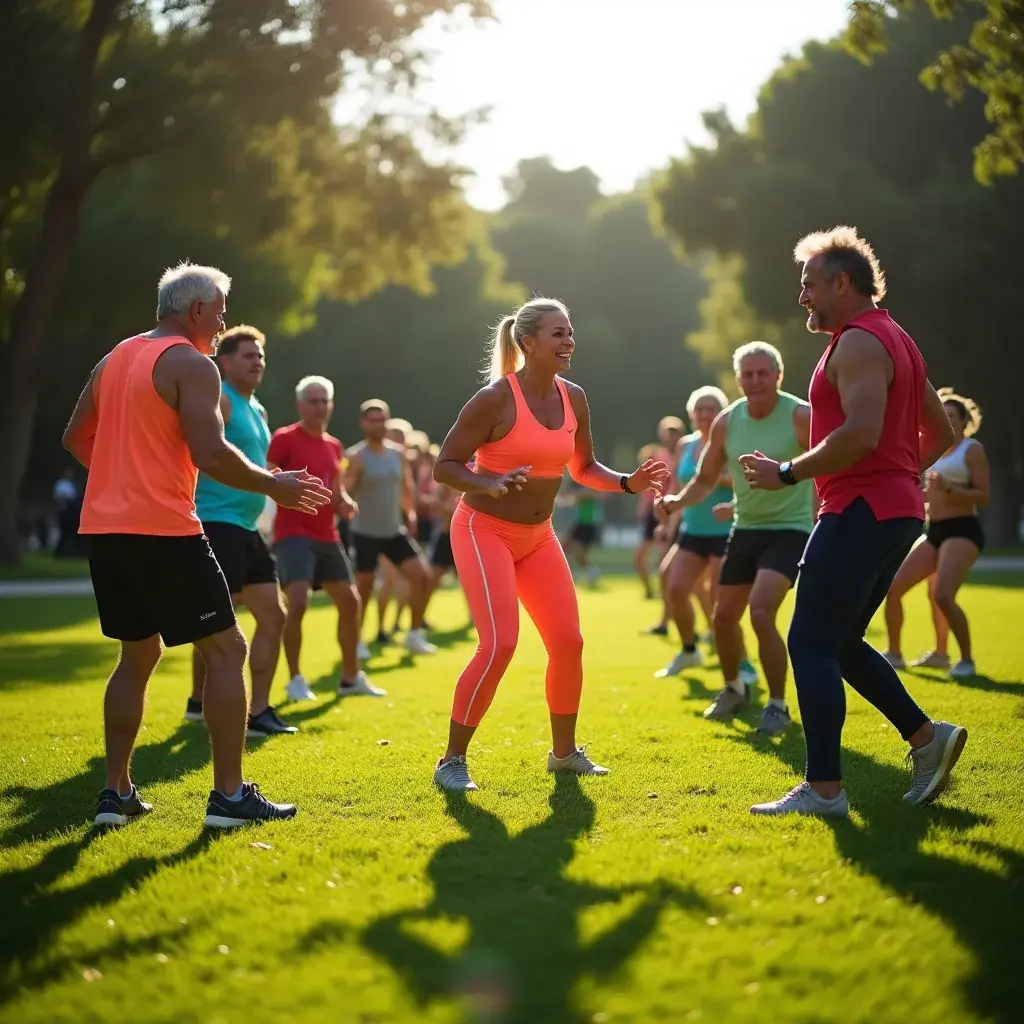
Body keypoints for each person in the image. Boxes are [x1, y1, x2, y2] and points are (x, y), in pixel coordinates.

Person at [62, 261, 331, 828]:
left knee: (137, 655)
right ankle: (230, 798)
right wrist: (273, 484)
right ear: (198, 311)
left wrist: (118, 479)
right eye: (221, 310)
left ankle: (115, 794)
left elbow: (75, 436)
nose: (224, 320)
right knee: (227, 650)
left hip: (106, 530)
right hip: (164, 528)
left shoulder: (114, 358)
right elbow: (210, 453)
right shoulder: (193, 363)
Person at [741, 226, 966, 816]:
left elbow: (860, 434)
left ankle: (824, 790)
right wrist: (896, 475)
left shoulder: (860, 342)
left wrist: (786, 472)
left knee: (809, 642)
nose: (803, 296)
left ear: (843, 283)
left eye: (810, 284)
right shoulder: (898, 339)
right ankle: (927, 738)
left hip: (860, 509)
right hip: (890, 510)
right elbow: (938, 434)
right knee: (839, 644)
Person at [431, 297, 670, 792]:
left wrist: (631, 481)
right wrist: (487, 481)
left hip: (538, 538)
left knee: (568, 643)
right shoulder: (495, 399)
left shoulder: (574, 397)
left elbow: (583, 468)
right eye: (558, 334)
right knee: (500, 645)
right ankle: (452, 760)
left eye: (570, 333)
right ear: (529, 343)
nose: (569, 342)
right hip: (483, 531)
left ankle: (564, 755)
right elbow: (445, 465)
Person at [657, 342, 814, 735]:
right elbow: (706, 477)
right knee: (723, 617)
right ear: (738, 379)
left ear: (778, 376)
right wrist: (676, 501)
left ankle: (777, 706)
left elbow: (833, 463)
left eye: (764, 373)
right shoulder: (729, 422)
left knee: (761, 612)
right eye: (748, 374)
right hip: (746, 528)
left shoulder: (800, 416)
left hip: (791, 530)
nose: (756, 381)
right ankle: (733, 688)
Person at [184, 326, 293, 738]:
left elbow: (250, 465)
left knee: (273, 615)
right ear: (224, 361)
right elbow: (205, 455)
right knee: (218, 620)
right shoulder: (222, 402)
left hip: (247, 527)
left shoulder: (259, 410)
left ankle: (257, 711)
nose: (257, 362)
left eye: (260, 356)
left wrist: (272, 477)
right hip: (217, 521)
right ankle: (200, 701)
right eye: (248, 355)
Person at [269, 376, 384, 701]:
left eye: (324, 401)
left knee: (350, 602)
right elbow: (266, 475)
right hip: (292, 533)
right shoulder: (284, 438)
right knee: (299, 602)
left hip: (326, 534)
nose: (319, 407)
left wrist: (344, 502)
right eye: (313, 401)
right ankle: (295, 680)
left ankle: (351, 678)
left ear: (330, 406)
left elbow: (336, 489)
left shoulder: (334, 445)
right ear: (300, 405)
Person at [883, 389, 989, 678]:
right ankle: (897, 654)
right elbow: (928, 495)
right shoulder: (929, 450)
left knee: (942, 595)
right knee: (893, 590)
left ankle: (966, 660)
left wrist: (950, 489)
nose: (947, 421)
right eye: (943, 415)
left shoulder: (971, 449)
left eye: (953, 417)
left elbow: (984, 496)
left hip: (963, 530)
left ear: (965, 421)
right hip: (935, 530)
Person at [654, 386, 756, 683]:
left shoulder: (731, 442)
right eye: (699, 409)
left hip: (725, 531)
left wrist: (718, 481)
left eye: (711, 409)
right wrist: (668, 520)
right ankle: (689, 650)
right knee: (672, 586)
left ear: (721, 413)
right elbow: (679, 487)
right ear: (691, 414)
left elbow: (746, 481)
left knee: (720, 604)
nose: (704, 414)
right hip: (692, 530)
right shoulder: (685, 445)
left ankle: (744, 662)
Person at [346, 401, 437, 656]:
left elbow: (406, 486)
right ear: (363, 423)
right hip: (364, 531)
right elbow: (344, 489)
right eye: (372, 420)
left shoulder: (398, 453)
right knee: (364, 588)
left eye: (382, 419)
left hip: (393, 530)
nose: (378, 424)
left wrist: (410, 514)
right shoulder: (356, 456)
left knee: (422, 577)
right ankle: (356, 641)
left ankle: (414, 634)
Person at [562, 483, 606, 587]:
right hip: (580, 523)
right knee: (565, 548)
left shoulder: (591, 487)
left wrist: (572, 493)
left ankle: (590, 572)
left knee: (579, 554)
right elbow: (572, 500)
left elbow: (586, 494)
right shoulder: (582, 488)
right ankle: (583, 573)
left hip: (589, 523)